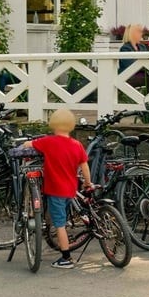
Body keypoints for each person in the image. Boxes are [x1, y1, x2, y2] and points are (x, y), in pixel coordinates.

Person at [32, 109, 93, 269]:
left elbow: (30, 145)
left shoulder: (49, 141)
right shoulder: (77, 144)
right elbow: (84, 165)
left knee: (59, 225)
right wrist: (88, 182)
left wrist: (24, 144)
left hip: (55, 190)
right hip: (71, 190)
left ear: (53, 124)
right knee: (63, 218)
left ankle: (66, 258)